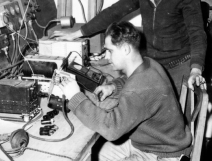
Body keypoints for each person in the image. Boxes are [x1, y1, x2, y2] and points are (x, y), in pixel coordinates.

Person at [51, 0, 207, 95]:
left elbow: (197, 34)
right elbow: (114, 12)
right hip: (153, 64)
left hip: (179, 66)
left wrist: (196, 70)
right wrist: (77, 34)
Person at [58, 21, 192, 161]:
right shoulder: (148, 63)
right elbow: (131, 79)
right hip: (155, 142)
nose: (107, 57)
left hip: (165, 153)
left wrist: (75, 97)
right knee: (101, 153)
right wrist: (113, 87)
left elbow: (111, 128)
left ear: (126, 49)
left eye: (110, 51)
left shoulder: (138, 90)